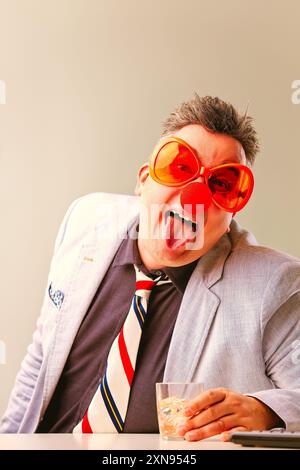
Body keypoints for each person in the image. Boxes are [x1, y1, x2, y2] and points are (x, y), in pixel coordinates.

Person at [1, 95, 300, 441]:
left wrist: (266, 411)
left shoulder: (271, 284)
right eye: (180, 167)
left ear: (232, 214)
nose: (193, 199)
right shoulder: (84, 222)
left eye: (222, 184)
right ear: (144, 179)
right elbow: (43, 356)